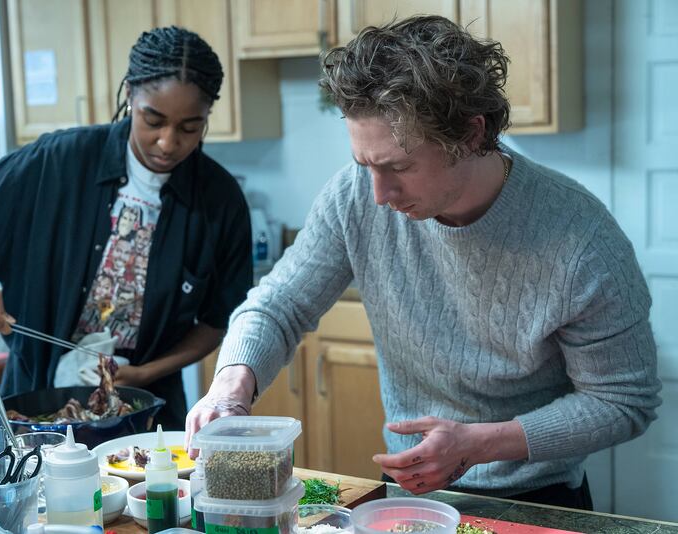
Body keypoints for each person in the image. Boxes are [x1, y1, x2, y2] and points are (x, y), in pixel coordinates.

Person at [186, 16, 661, 509]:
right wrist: (231, 384)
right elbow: (278, 304)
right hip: (411, 496)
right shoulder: (355, 199)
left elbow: (622, 401)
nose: (378, 194)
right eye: (364, 165)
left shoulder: (582, 240)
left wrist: (480, 444)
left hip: (538, 500)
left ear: (472, 135)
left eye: (399, 167)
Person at [0, 26, 252, 430]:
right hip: (34, 411)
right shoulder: (59, 161)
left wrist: (145, 373)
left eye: (190, 128)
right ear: (130, 95)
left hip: (149, 412)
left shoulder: (219, 200)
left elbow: (217, 321)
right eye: (152, 120)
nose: (167, 143)